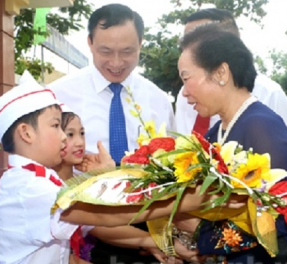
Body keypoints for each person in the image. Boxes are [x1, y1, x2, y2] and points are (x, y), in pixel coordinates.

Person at [0, 71, 233, 264]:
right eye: (56, 126)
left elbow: (96, 221)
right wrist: (191, 201)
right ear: (26, 133)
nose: (66, 138)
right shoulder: (30, 189)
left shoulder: (36, 181)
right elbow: (105, 214)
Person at [174, 22, 287, 263]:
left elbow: (275, 218)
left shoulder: (261, 127)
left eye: (186, 78)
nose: (183, 91)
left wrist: (200, 232)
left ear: (221, 73)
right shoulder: (216, 133)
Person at [48, 4, 175, 263]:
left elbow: (172, 170)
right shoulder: (58, 96)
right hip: (81, 230)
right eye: (105, 51)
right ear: (90, 43)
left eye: (127, 52)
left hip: (148, 228)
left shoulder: (158, 100)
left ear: (141, 44)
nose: (116, 63)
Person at [53, 105, 183, 264]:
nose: (80, 142)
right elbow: (101, 222)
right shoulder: (48, 186)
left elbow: (100, 224)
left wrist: (157, 244)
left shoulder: (80, 182)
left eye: (82, 133)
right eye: (70, 135)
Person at [175, 8, 287, 137]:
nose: (189, 48)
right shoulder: (185, 96)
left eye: (199, 39)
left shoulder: (269, 93)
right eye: (187, 40)